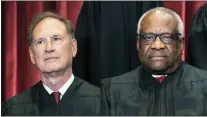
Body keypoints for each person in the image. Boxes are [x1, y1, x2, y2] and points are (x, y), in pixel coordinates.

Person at [101, 7, 207, 116]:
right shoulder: (112, 91)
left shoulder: (204, 86)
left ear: (181, 44)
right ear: (138, 44)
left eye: (167, 37)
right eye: (148, 38)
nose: (157, 45)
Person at [2, 11, 100, 116]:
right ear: (32, 55)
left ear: (73, 47)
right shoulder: (13, 109)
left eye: (56, 39)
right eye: (40, 42)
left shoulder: (103, 103)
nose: (49, 48)